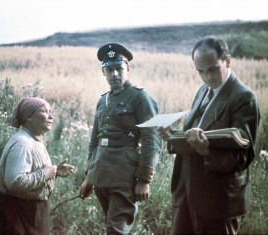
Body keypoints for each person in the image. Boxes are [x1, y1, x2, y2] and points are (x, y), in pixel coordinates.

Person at [157, 37, 260, 234]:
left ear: (228, 61)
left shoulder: (244, 97)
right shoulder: (203, 90)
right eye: (200, 71)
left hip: (218, 200)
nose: (206, 77)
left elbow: (244, 157)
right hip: (186, 193)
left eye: (212, 69)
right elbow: (195, 134)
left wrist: (207, 152)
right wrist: (171, 136)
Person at [79, 42, 162, 234]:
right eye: (110, 70)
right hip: (101, 175)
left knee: (116, 230)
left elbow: (152, 139)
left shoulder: (140, 98)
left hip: (124, 177)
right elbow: (95, 141)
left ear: (128, 69)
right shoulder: (103, 100)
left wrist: (144, 179)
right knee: (113, 228)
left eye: (119, 69)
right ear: (103, 72)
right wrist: (89, 177)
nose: (114, 74)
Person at [0, 97, 75, 235]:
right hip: (17, 213)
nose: (51, 116)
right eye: (45, 112)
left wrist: (55, 171)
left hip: (29, 211)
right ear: (29, 117)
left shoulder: (34, 139)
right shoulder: (23, 144)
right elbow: (15, 182)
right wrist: (45, 174)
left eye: (51, 112)